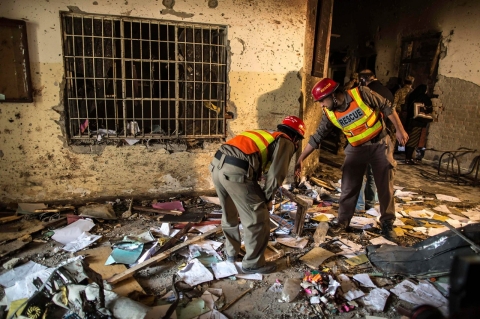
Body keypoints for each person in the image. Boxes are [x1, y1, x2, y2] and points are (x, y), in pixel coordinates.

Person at [294, 78, 408, 239]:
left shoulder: (361, 94)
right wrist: (300, 159)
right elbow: (317, 137)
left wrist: (399, 130)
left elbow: (387, 106)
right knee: (349, 186)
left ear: (333, 95)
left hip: (379, 143)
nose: (321, 105)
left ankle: (387, 223)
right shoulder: (329, 113)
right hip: (356, 148)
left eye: (322, 100)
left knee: (384, 185)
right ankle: (342, 222)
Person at [210, 116, 306, 274]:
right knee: (258, 219)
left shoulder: (266, 135)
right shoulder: (286, 141)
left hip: (217, 165)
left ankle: (231, 254)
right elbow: (276, 176)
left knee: (229, 213)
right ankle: (253, 264)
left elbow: (252, 158)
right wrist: (267, 199)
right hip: (236, 172)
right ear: (296, 137)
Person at [355, 70, 395, 212]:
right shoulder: (388, 92)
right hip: (381, 137)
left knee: (358, 173)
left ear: (363, 80)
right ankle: (371, 203)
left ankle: (359, 205)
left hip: (364, 137)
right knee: (373, 173)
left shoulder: (363, 92)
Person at [404, 84, 433, 164]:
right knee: (413, 141)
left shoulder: (412, 95)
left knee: (409, 139)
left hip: (409, 121)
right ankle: (408, 159)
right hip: (417, 123)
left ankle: (407, 157)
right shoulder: (423, 98)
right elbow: (429, 108)